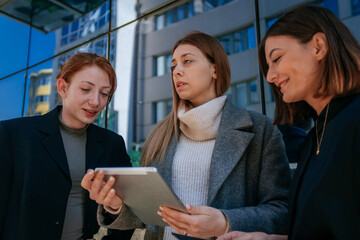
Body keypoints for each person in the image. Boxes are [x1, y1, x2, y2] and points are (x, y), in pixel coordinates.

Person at [81, 31, 291, 240]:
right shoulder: (160, 135)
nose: (177, 71)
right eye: (173, 66)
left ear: (214, 69)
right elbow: (146, 217)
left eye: (187, 61)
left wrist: (225, 222)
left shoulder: (261, 130)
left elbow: (283, 211)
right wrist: (116, 205)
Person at [219, 6, 360, 240]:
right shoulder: (313, 141)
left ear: (318, 46)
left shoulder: (354, 121)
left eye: (276, 58)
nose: (270, 77)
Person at [0, 52, 134, 240]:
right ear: (63, 88)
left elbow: (129, 211)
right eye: (86, 89)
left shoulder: (113, 144)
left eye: (104, 93)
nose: (95, 101)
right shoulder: (13, 134)